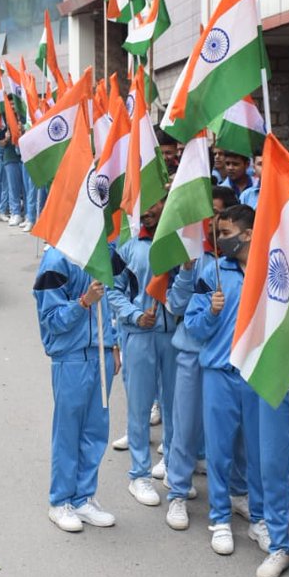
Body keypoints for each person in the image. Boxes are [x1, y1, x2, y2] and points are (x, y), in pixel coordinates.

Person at [185, 204, 280, 561]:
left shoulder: (272, 270)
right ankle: (220, 519)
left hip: (257, 374)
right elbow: (193, 328)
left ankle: (260, 519)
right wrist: (210, 311)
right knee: (220, 452)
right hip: (219, 374)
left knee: (258, 452)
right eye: (218, 234)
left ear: (249, 234)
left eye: (225, 234)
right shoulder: (213, 272)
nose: (220, 240)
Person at [163, 187, 256, 534]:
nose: (214, 231)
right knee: (186, 427)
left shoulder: (247, 264)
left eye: (221, 223)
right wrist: (187, 270)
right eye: (212, 223)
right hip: (193, 353)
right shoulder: (198, 258)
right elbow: (177, 305)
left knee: (237, 438)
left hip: (235, 364)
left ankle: (238, 492)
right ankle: (177, 491)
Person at [33, 244, 118, 533]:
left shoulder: (101, 251)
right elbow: (51, 321)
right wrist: (83, 302)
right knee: (68, 431)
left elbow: (113, 304)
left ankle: (83, 498)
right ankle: (60, 502)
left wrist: (114, 344)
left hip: (102, 354)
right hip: (71, 357)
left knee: (96, 431)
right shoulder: (56, 259)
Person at [109, 200, 179, 509]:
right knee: (139, 407)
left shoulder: (181, 243)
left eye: (155, 204)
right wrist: (135, 315)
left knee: (176, 406)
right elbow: (112, 289)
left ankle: (176, 470)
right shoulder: (127, 244)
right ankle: (139, 474)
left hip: (174, 336)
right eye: (144, 204)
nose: (148, 210)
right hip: (139, 335)